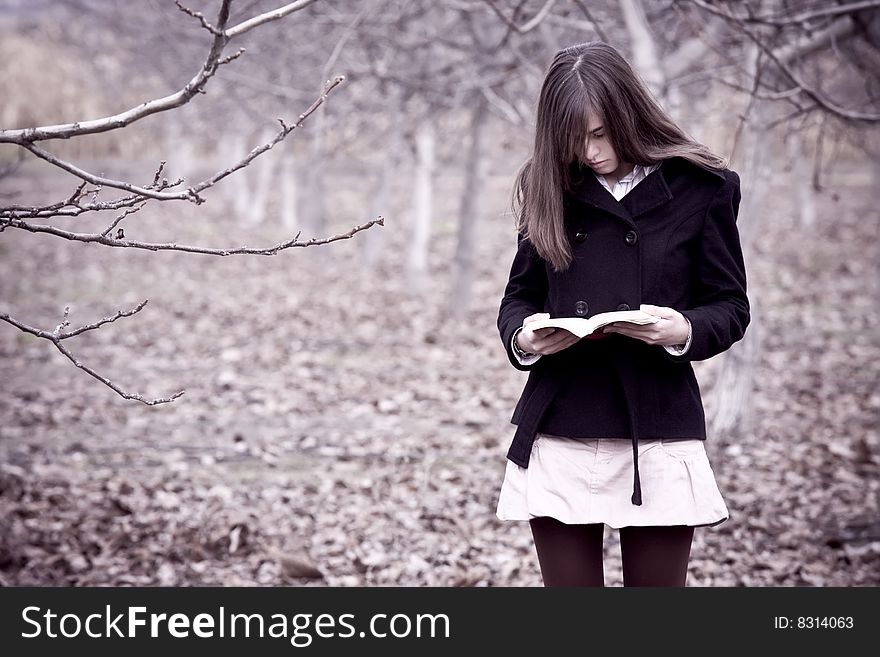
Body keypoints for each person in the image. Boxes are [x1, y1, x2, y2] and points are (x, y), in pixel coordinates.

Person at [494, 41, 750, 587]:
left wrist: (680, 330)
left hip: (656, 421)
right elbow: (518, 298)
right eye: (572, 139)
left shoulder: (702, 186)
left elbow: (730, 306)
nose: (589, 152)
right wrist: (526, 336)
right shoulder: (548, 186)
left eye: (599, 133)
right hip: (562, 419)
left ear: (630, 112)